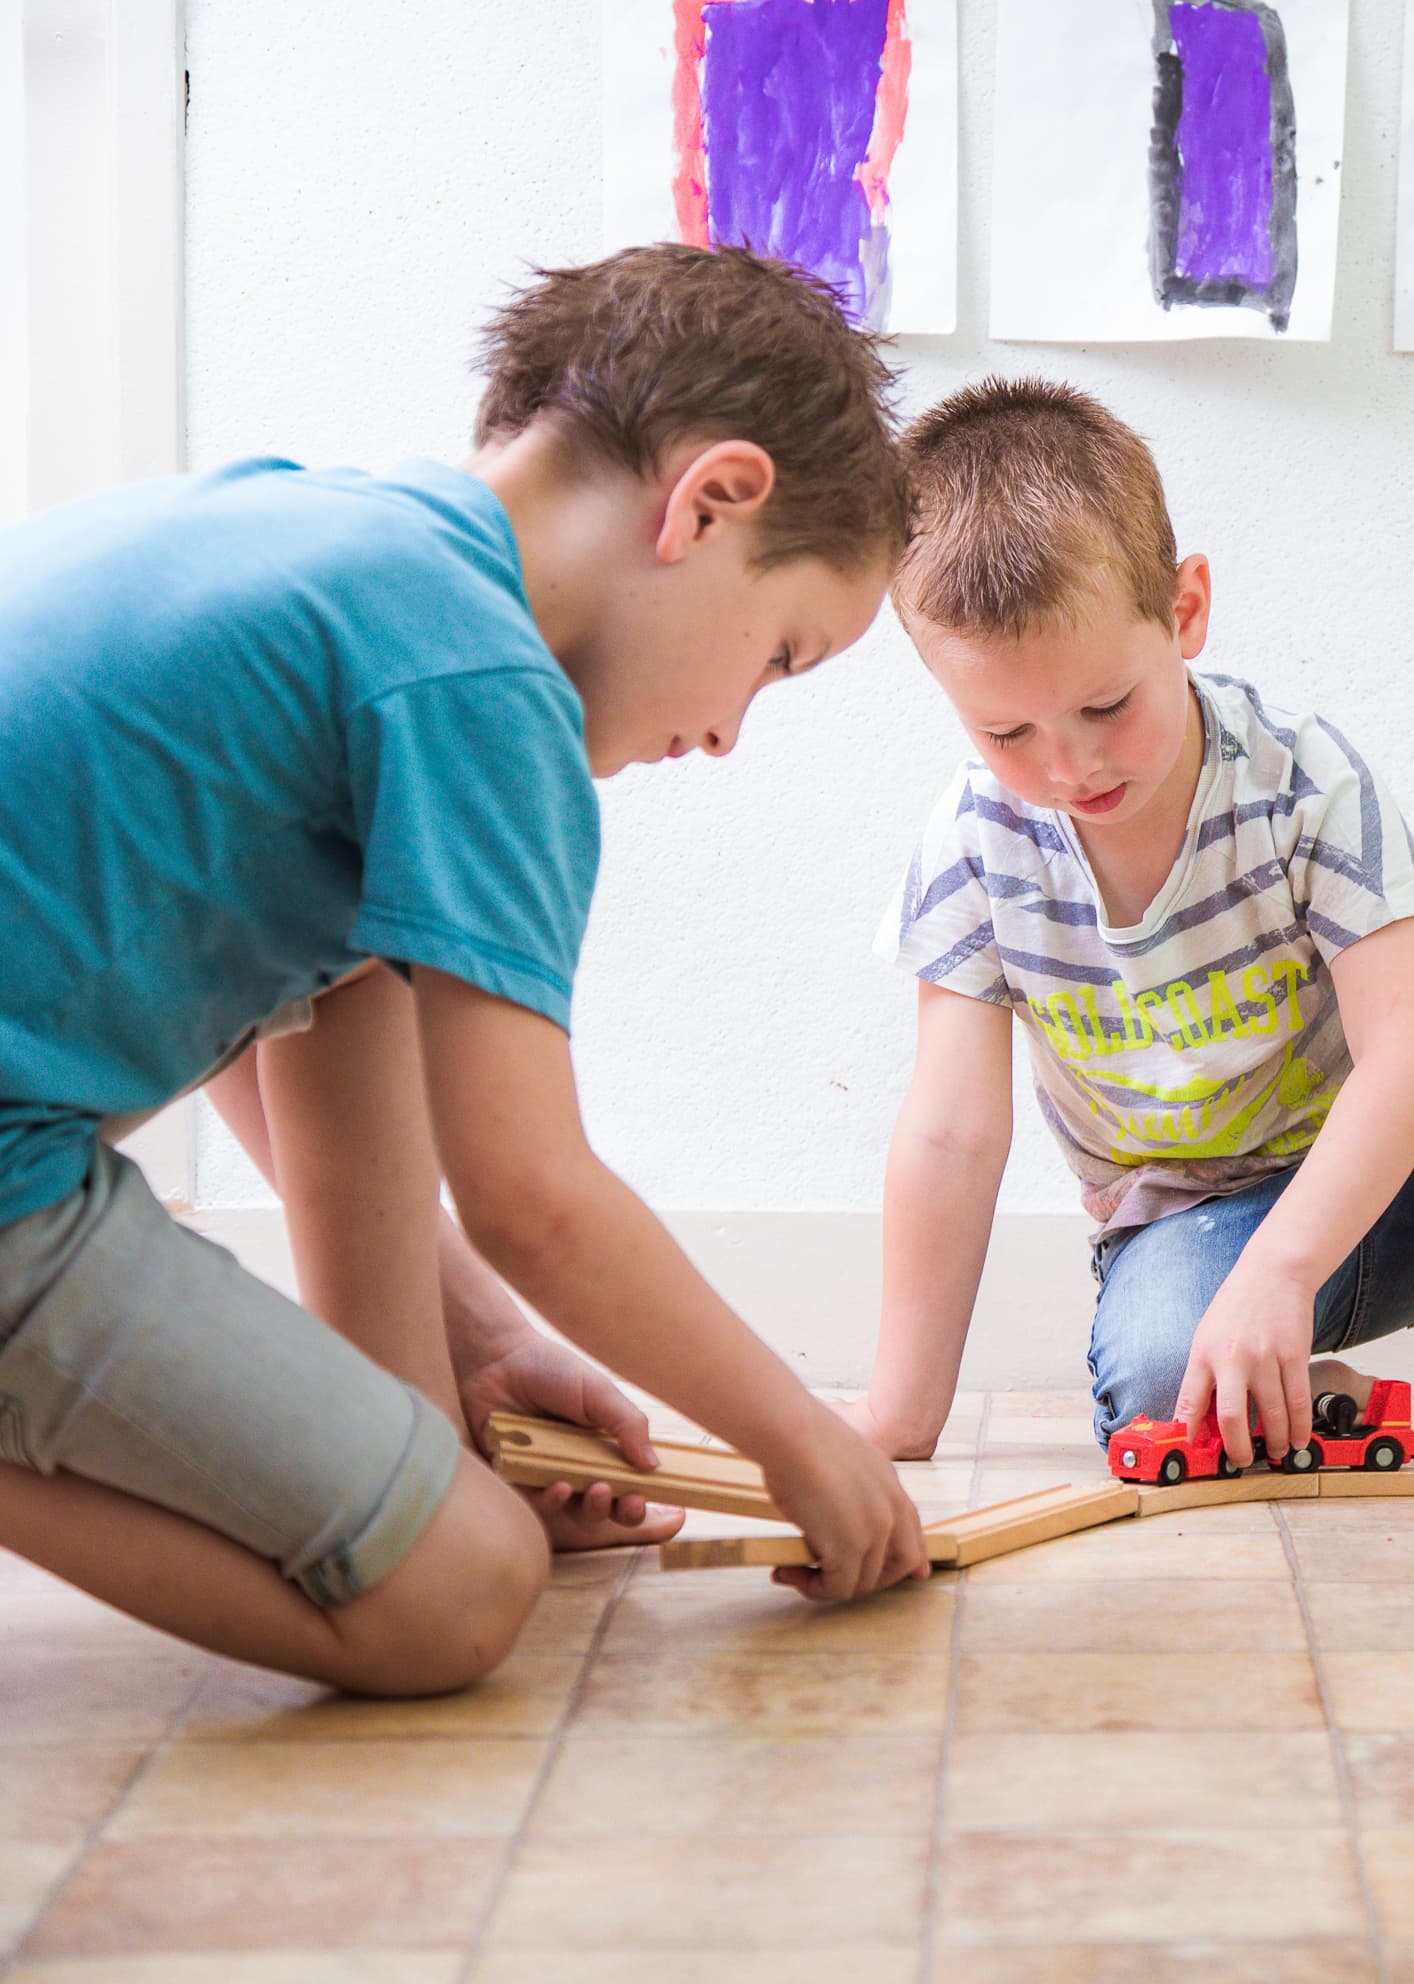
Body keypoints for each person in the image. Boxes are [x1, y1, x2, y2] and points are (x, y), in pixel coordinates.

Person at [0, 244, 933, 1697]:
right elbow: (534, 1198)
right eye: (780, 655)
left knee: (368, 973)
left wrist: (464, 1371)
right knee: (457, 1594)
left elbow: (307, 1020)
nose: (733, 732)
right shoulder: (483, 687)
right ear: (712, 499)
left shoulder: (340, 539)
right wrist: (800, 1439)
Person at [849, 380, 1414, 1474]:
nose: (1070, 764)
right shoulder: (974, 841)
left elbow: (1410, 1053)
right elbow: (952, 1133)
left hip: (1389, 1176)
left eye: (1107, 706)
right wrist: (896, 1423)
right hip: (1191, 1231)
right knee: (1161, 1389)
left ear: (1185, 608)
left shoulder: (1302, 782)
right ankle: (1303, 1381)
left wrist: (1286, 1270)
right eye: (1007, 729)